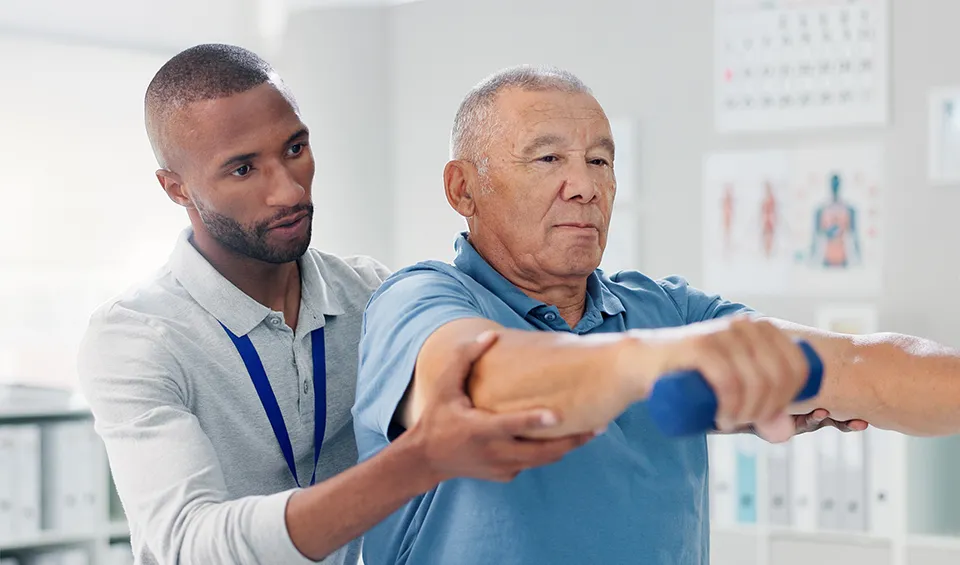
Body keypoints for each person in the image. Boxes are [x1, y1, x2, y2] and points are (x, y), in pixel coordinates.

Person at [353, 65, 960, 565]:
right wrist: (669, 359)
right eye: (547, 161)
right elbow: (482, 388)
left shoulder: (666, 311)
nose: (584, 186)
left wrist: (751, 367)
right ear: (463, 190)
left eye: (599, 161)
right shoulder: (420, 300)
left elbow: (861, 365)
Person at [77, 46, 596, 565]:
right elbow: (190, 544)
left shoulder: (373, 292)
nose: (287, 190)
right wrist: (419, 462)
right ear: (176, 188)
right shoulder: (134, 337)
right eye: (242, 169)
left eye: (295, 148)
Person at [810, 172, 862, 267]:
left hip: (843, 258)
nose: (835, 187)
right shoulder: (821, 210)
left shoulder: (849, 210)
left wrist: (858, 259)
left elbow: (855, 237)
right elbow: (815, 238)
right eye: (833, 184)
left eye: (837, 184)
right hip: (827, 258)